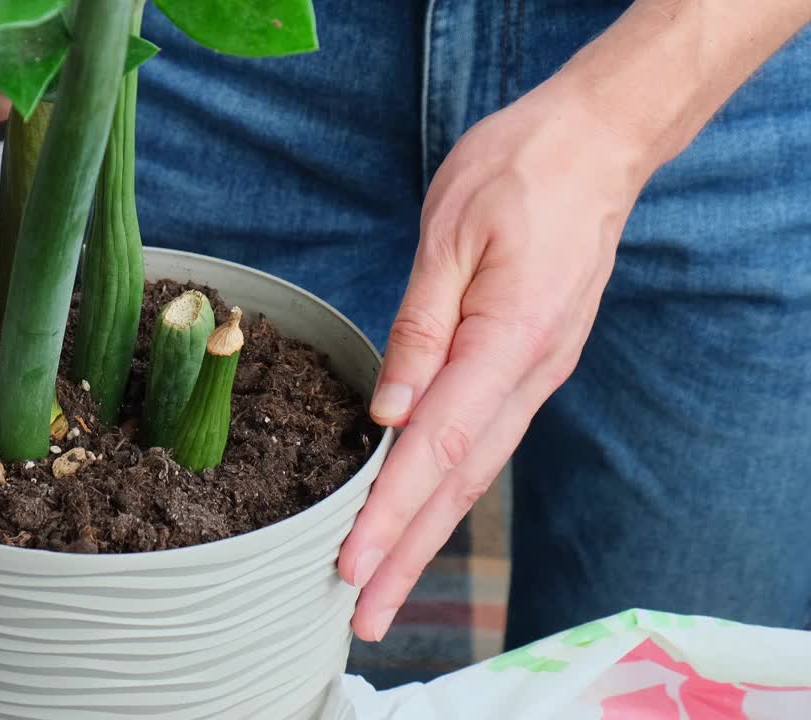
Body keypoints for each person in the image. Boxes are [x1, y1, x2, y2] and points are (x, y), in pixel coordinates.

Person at [134, 0, 811, 649]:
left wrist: (620, 117)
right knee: (191, 634)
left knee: (664, 673)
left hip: (728, 59)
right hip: (228, 47)